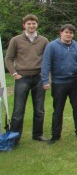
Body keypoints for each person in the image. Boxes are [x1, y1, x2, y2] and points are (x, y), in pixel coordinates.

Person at [4, 14, 49, 144]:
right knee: (18, 111)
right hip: (22, 78)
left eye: (34, 23)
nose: (31, 26)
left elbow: (47, 59)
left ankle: (38, 134)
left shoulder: (44, 40)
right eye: (29, 23)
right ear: (24, 25)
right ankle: (14, 139)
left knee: (39, 109)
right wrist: (13, 73)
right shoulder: (16, 40)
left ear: (37, 25)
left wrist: (46, 77)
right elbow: (8, 58)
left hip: (39, 77)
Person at [41, 24, 77, 144]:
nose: (68, 34)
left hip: (75, 82)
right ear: (61, 33)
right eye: (66, 32)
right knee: (58, 110)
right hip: (59, 82)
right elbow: (46, 64)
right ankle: (55, 135)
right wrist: (45, 80)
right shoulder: (52, 46)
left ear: (73, 34)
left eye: (71, 33)